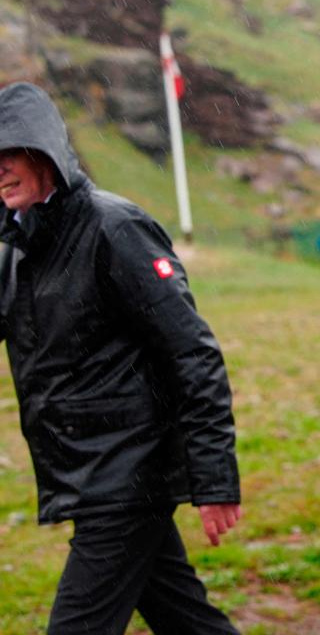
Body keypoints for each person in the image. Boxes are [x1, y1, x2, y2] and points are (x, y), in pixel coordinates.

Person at [0, 82, 242, 634]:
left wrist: (215, 479)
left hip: (127, 476)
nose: (0, 170)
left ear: (44, 152)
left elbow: (193, 353)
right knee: (183, 617)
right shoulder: (20, 250)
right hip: (90, 474)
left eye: (8, 153)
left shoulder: (114, 228)